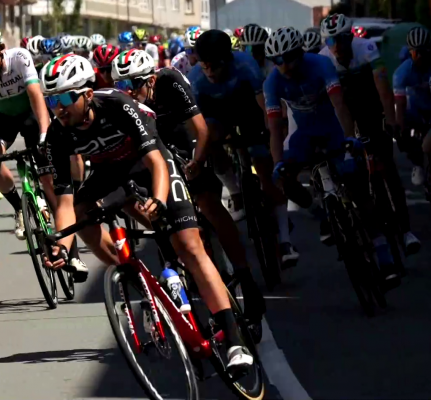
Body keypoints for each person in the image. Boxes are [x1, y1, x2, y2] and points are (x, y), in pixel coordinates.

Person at [40, 53, 255, 371]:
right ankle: (134, 275)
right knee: (84, 209)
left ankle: (236, 340)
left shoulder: (117, 104)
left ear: (86, 94)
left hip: (151, 160)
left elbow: (156, 161)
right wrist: (62, 244)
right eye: (50, 99)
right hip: (112, 171)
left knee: (190, 248)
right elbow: (66, 202)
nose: (57, 106)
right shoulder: (56, 135)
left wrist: (158, 199)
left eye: (64, 97)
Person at [111, 48, 266, 326]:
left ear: (150, 80)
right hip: (156, 150)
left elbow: (201, 129)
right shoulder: (124, 104)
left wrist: (197, 162)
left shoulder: (170, 80)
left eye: (132, 84)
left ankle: (245, 277)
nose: (128, 92)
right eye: (120, 86)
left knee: (208, 202)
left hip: (185, 140)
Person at [264, 27, 400, 287]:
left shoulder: (320, 64)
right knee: (283, 178)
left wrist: (350, 140)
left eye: (289, 57)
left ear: (300, 54)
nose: (284, 65)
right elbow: (274, 129)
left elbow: (340, 105)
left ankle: (384, 254)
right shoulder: (272, 82)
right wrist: (278, 163)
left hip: (334, 127)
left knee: (357, 187)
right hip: (303, 134)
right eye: (277, 60)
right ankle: (321, 214)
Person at [0, 23, 88, 274]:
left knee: (49, 181)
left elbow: (35, 96)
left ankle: (71, 253)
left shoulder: (20, 58)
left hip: (30, 114)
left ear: (1, 48)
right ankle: (19, 207)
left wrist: (44, 133)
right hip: (1, 117)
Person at [190, 30, 297, 266]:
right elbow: (196, 126)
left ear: (226, 60)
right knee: (209, 141)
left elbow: (266, 109)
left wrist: (272, 134)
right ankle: (236, 193)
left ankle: (285, 241)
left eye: (213, 66)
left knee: (266, 171)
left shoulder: (245, 65)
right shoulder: (195, 78)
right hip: (216, 113)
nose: (208, 72)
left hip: (248, 108)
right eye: (204, 66)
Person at [319, 14, 421, 254]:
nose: (337, 47)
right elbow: (329, 104)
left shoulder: (366, 47)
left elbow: (383, 89)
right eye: (330, 42)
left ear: (350, 36)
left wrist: (392, 119)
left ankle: (406, 231)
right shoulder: (324, 60)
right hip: (342, 109)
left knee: (387, 166)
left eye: (341, 40)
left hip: (370, 106)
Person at [394, 27, 431, 198]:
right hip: (415, 110)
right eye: (417, 53)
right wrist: (400, 130)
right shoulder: (402, 72)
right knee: (399, 129)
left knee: (427, 145)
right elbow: (400, 105)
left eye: (424, 52)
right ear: (410, 53)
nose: (421, 57)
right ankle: (417, 162)